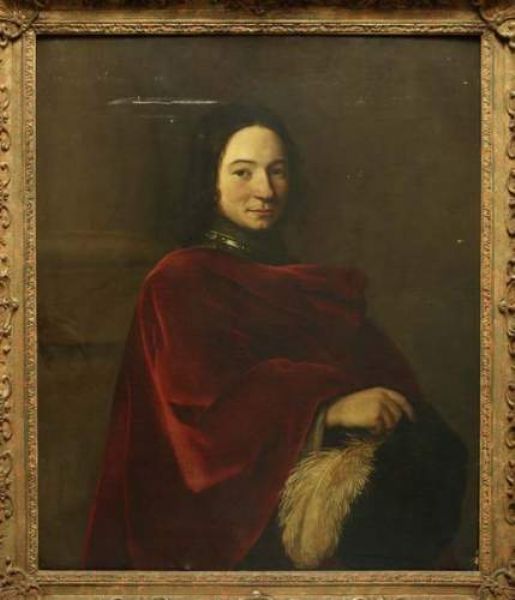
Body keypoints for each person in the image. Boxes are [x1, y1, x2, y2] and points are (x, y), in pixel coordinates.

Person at [83, 104, 467, 571]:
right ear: (211, 181)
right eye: (243, 172)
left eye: (277, 171)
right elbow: (200, 420)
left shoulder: (305, 283)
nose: (265, 190)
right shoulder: (180, 280)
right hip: (225, 530)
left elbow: (389, 379)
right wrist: (328, 408)